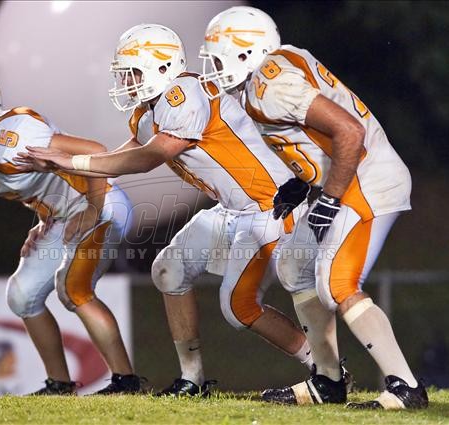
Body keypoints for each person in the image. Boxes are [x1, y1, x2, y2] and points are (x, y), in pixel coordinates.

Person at [18, 24, 316, 397]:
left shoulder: (183, 93)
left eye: (133, 72)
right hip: (233, 209)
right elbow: (123, 157)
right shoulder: (149, 112)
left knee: (239, 307)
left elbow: (150, 158)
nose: (127, 81)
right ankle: (192, 380)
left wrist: (72, 160)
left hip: (271, 206)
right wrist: (62, 165)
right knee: (168, 270)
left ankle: (325, 369)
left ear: (162, 67)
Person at [198, 6, 427, 409]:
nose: (214, 70)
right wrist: (303, 182)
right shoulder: (278, 67)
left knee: (337, 284)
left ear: (245, 52)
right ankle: (327, 380)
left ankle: (405, 387)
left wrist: (329, 200)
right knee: (294, 266)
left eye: (218, 59)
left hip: (365, 180)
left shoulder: (270, 85)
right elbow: (315, 137)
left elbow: (349, 132)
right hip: (348, 177)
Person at [0, 68, 142, 395]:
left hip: (102, 201)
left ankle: (126, 381)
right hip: (64, 215)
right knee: (22, 295)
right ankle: (59, 384)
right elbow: (38, 187)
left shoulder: (15, 134)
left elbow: (97, 151)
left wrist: (93, 209)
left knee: (73, 289)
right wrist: (44, 219)